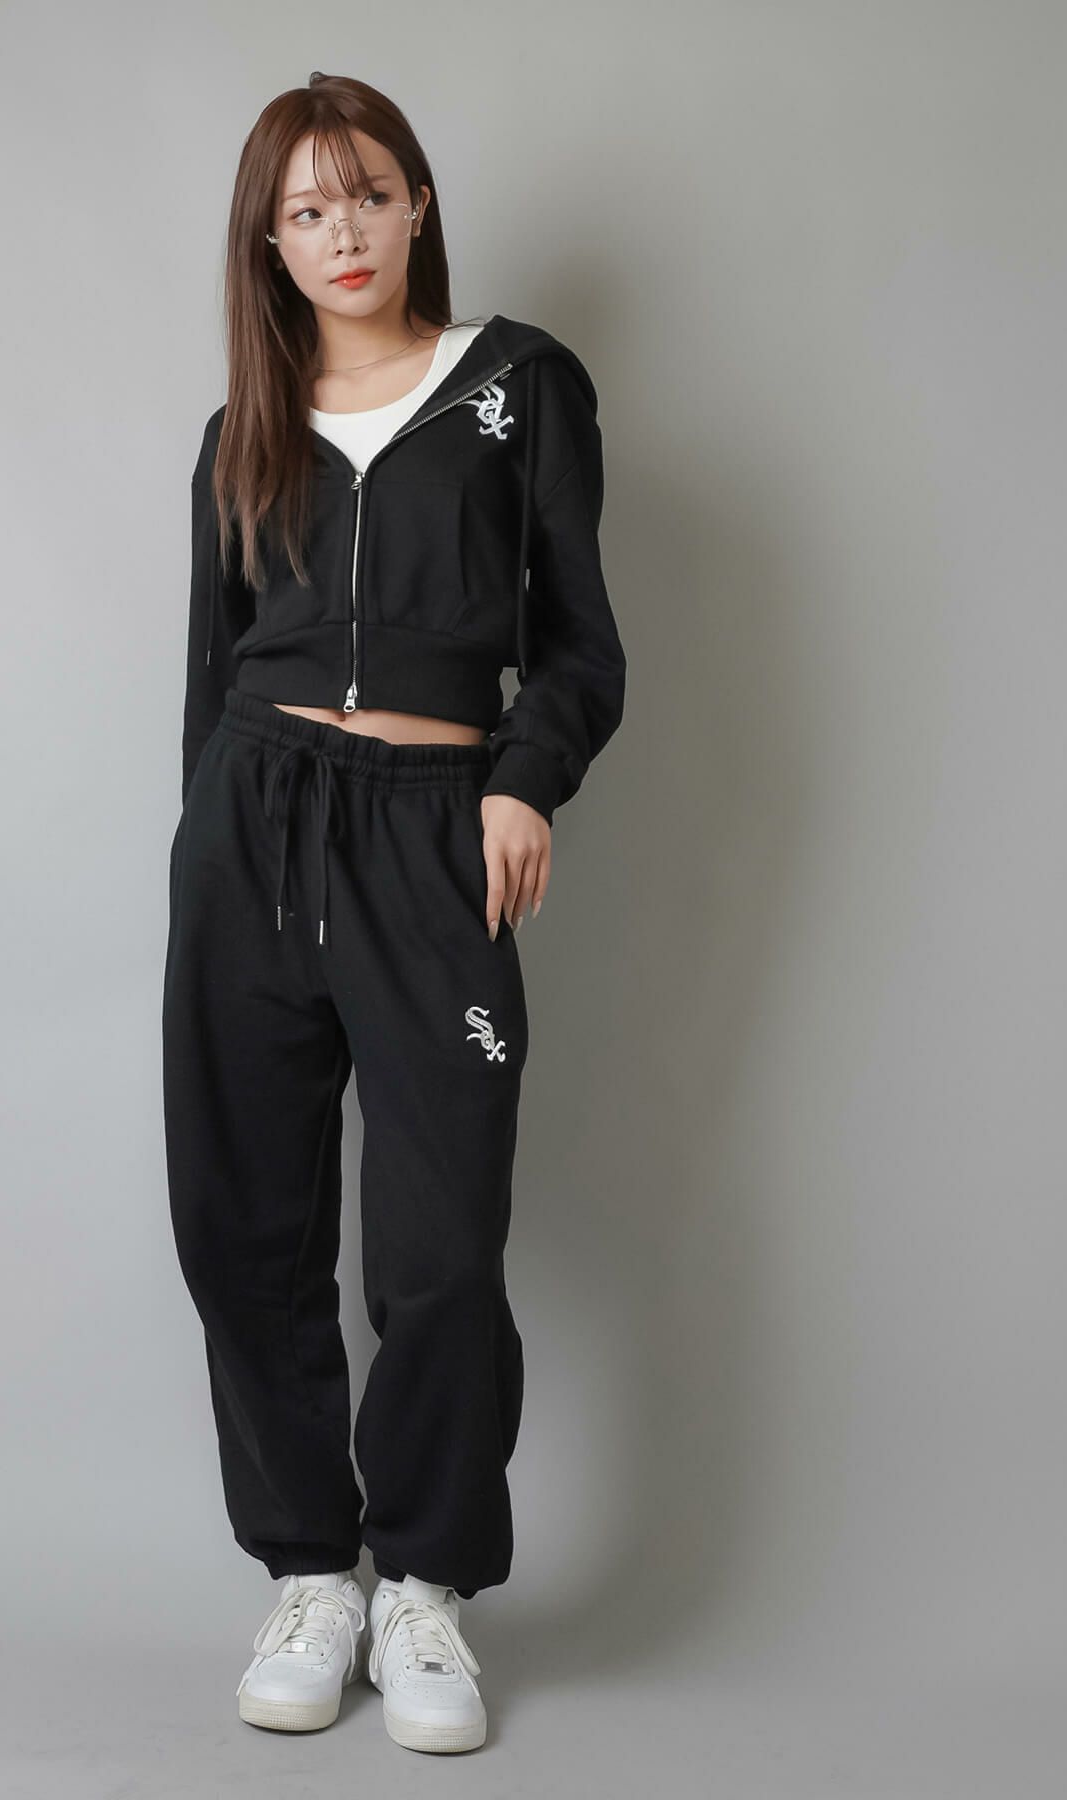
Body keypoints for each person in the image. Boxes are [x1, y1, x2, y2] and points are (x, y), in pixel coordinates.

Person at [161, 71, 626, 1755]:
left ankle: (425, 1584)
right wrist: (208, 850)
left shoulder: (518, 387)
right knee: (244, 1226)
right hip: (252, 833)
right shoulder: (244, 431)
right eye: (304, 210)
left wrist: (523, 779)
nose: (341, 231)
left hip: (434, 840)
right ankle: (314, 1573)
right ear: (269, 247)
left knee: (437, 1247)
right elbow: (212, 673)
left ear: (416, 201)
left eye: (365, 192)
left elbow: (579, 640)